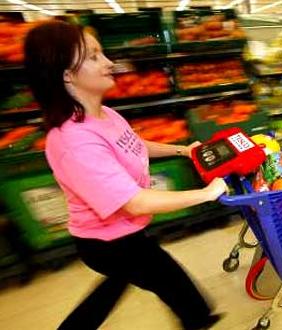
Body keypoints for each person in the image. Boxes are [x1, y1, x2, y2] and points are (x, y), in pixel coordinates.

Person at [24, 20, 228, 330]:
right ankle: (199, 320)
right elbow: (134, 202)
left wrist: (182, 150)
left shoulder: (104, 114)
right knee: (167, 278)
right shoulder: (72, 141)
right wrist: (207, 193)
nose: (109, 63)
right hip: (107, 241)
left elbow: (132, 144)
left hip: (124, 232)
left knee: (122, 284)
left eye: (102, 53)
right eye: (93, 57)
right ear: (67, 74)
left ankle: (197, 317)